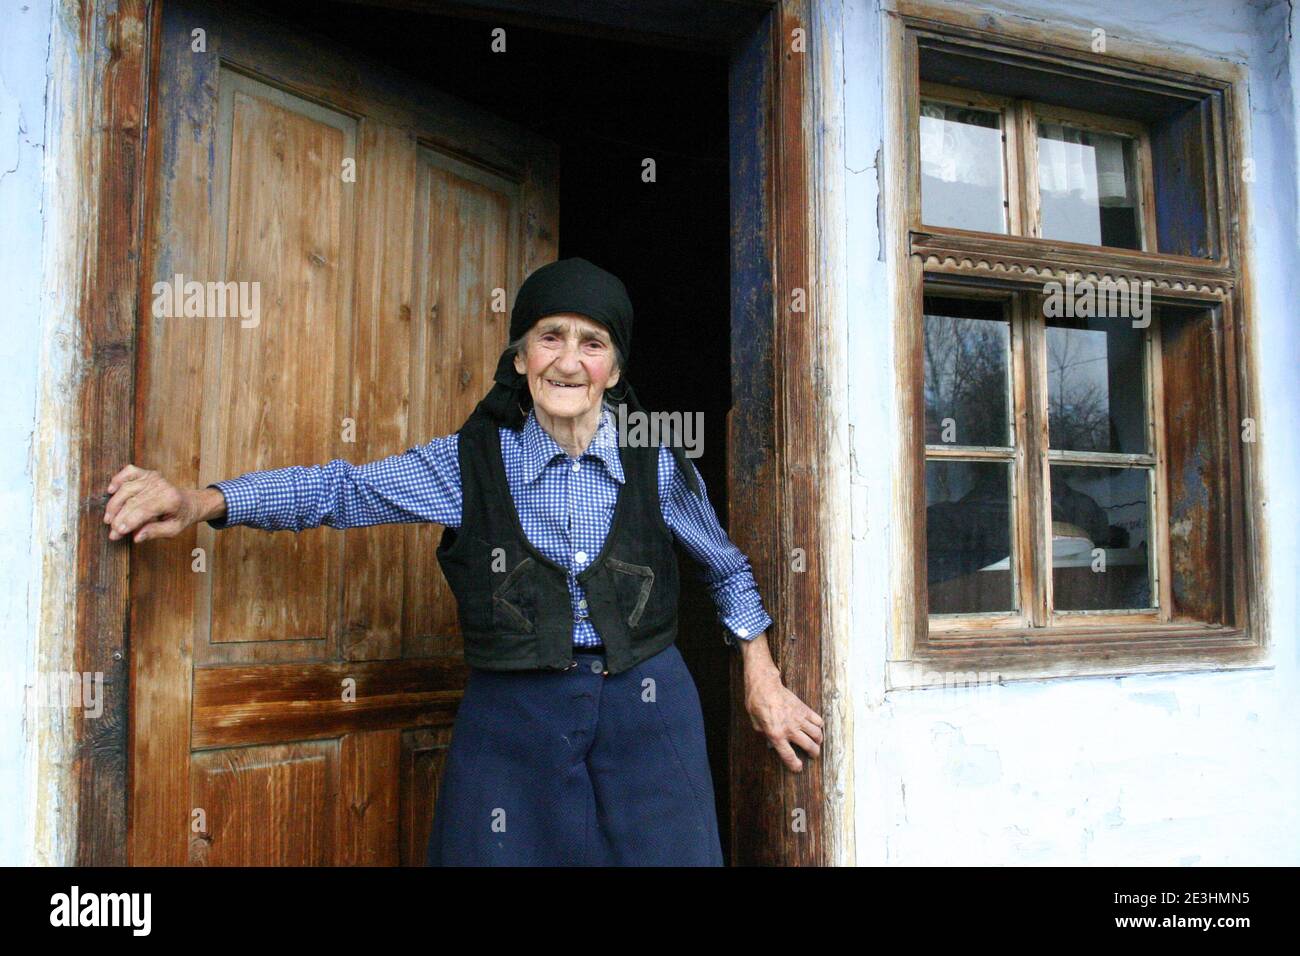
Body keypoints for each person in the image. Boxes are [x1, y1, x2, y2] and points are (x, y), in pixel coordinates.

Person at [102, 256, 823, 866]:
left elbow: (725, 568)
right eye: (550, 337)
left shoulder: (658, 465)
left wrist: (760, 678)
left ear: (614, 367)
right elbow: (340, 489)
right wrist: (201, 501)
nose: (569, 359)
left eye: (592, 342)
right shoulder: (467, 464)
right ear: (520, 356)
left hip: (648, 711)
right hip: (513, 718)